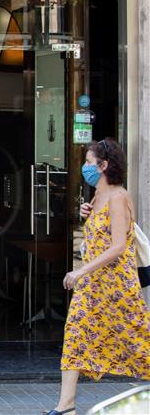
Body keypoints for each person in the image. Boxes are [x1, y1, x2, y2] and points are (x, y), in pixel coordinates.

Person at [46, 138, 150, 415]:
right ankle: (65, 406)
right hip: (94, 286)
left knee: (137, 342)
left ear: (104, 165)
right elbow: (98, 239)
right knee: (76, 334)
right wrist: (87, 217)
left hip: (117, 286)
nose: (86, 168)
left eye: (90, 163)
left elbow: (118, 246)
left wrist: (80, 270)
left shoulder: (118, 197)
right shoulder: (96, 196)